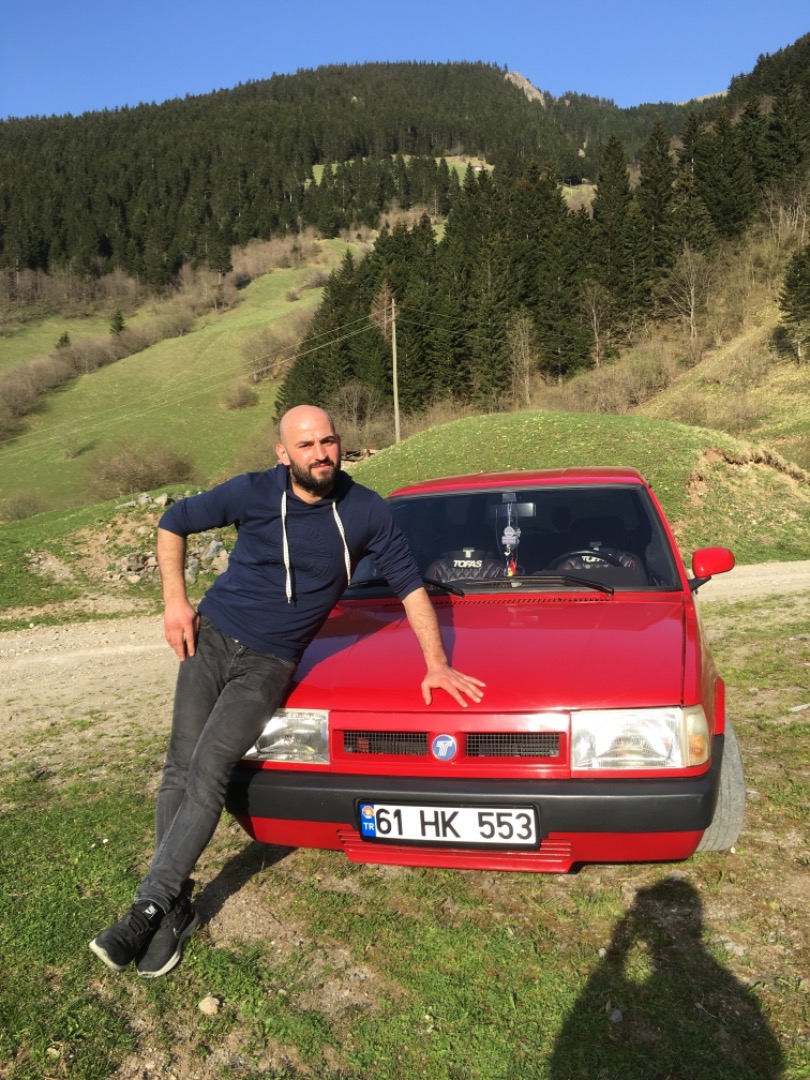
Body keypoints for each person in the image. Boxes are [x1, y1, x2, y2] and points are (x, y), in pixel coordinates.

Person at [89, 405, 485, 978]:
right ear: (283, 453)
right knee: (179, 764)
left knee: (210, 768)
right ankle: (172, 906)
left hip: (270, 662)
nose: (320, 453)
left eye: (328, 441)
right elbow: (173, 521)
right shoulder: (252, 493)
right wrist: (175, 601)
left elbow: (409, 587)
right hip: (212, 638)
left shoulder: (366, 510)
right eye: (306, 445)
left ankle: (146, 908)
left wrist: (437, 664)